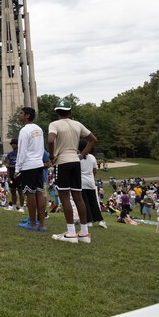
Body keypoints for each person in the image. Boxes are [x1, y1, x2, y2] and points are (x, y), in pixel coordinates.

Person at [48, 98, 98, 244]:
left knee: (65, 197)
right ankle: (84, 233)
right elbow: (93, 139)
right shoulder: (78, 124)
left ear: (57, 112)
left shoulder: (54, 124)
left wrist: (52, 155)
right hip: (76, 162)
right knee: (78, 197)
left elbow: (51, 140)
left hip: (62, 161)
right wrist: (82, 154)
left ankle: (70, 233)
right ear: (70, 111)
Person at [14, 107, 47, 232]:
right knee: (40, 193)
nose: (19, 115)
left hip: (28, 165)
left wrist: (17, 168)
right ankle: (42, 224)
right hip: (39, 164)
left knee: (30, 194)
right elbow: (41, 147)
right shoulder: (39, 129)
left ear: (27, 116)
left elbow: (22, 151)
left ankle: (32, 223)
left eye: (21, 113)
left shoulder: (24, 131)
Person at [78, 141, 107, 229]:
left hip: (82, 182)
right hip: (91, 181)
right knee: (93, 202)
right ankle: (100, 220)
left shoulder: (78, 158)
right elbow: (95, 170)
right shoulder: (92, 157)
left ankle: (88, 220)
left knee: (85, 202)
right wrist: (91, 177)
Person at [4, 139, 24, 212]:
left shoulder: (21, 154)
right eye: (11, 144)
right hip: (11, 176)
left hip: (19, 175)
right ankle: (14, 206)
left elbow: (21, 165)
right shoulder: (10, 154)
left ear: (17, 144)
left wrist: (11, 166)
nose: (12, 145)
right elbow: (7, 165)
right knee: (12, 191)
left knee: (20, 191)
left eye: (14, 143)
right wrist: (8, 177)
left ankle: (22, 207)